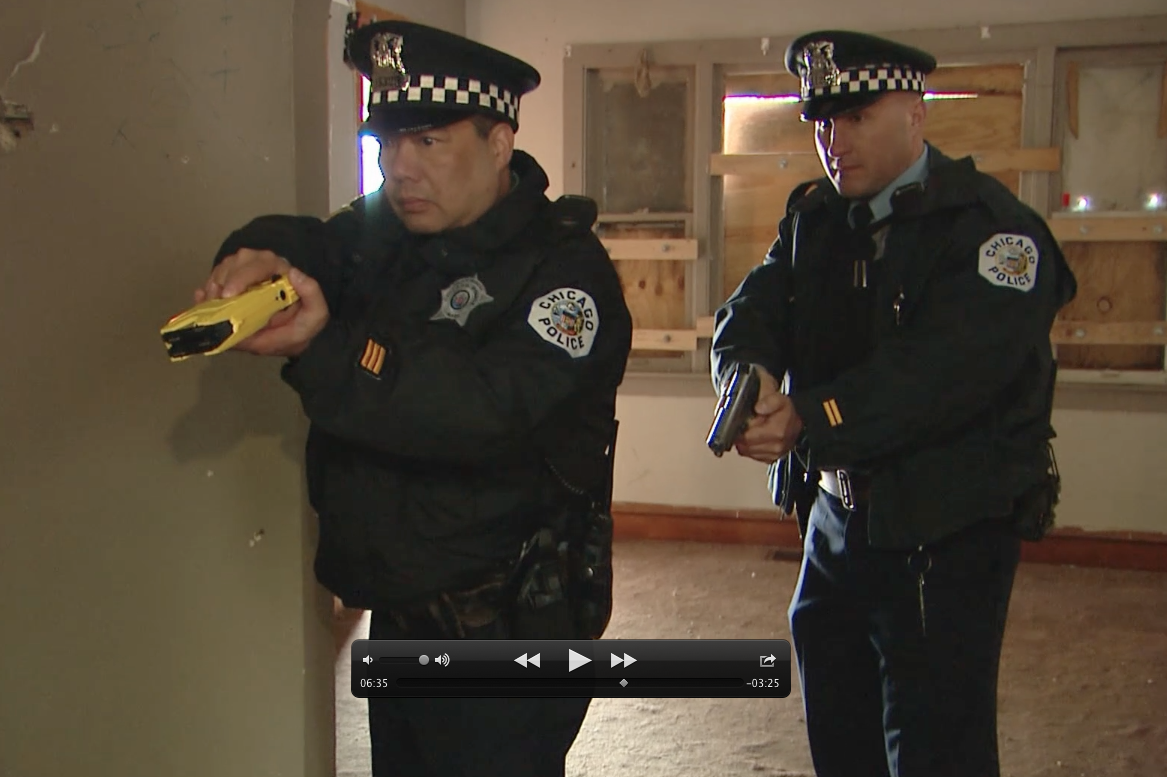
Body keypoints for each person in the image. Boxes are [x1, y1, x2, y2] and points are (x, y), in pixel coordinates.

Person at [192, 19, 632, 777]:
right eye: (388, 142)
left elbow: (480, 412)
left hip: (506, 632)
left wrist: (326, 351)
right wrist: (256, 254)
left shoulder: (564, 275)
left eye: (427, 141)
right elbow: (313, 241)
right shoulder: (392, 230)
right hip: (403, 612)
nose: (400, 168)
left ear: (499, 143)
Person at [709, 29, 1077, 777]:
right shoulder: (819, 219)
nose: (832, 139)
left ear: (916, 111)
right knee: (842, 735)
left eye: (854, 115)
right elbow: (753, 309)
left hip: (945, 531)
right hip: (837, 522)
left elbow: (942, 371)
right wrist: (746, 376)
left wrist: (812, 413)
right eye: (820, 121)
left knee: (939, 742)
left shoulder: (994, 233)